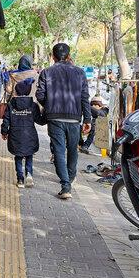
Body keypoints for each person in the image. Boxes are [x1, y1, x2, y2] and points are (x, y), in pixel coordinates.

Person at [36, 43, 92, 200]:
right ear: (68, 56)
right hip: (74, 118)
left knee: (59, 150)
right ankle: (70, 177)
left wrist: (50, 105)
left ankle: (65, 185)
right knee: (73, 149)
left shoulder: (47, 72)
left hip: (54, 118)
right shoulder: (80, 73)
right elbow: (84, 97)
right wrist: (87, 119)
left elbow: (40, 95)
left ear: (53, 57)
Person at [1, 78, 45, 188]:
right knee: (29, 155)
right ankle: (29, 174)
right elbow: (39, 120)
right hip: (30, 134)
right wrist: (46, 115)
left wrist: (4, 132)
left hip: (15, 134)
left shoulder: (11, 104)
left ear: (16, 91)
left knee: (18, 157)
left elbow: (6, 120)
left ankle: (20, 179)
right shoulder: (33, 105)